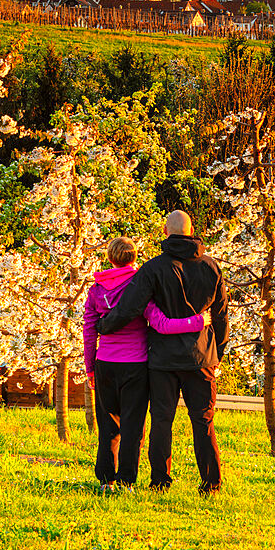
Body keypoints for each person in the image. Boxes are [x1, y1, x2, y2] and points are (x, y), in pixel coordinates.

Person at [96, 212, 228, 495]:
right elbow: (221, 316)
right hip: (201, 357)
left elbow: (130, 307)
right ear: (192, 231)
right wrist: (217, 354)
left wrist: (104, 326)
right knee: (203, 420)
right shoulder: (212, 267)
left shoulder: (153, 268)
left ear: (166, 230)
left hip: (162, 361)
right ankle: (211, 484)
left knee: (161, 420)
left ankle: (160, 481)